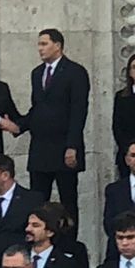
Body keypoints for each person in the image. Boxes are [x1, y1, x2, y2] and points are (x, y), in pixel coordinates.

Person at [25, 28, 90, 218]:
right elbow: (37, 108)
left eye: (44, 44)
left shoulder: (75, 72)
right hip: (40, 148)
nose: (40, 49)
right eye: (39, 44)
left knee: (68, 201)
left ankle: (70, 244)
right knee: (38, 200)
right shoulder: (37, 73)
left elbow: (79, 111)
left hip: (64, 147)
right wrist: (18, 126)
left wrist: (72, 146)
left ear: (58, 46)